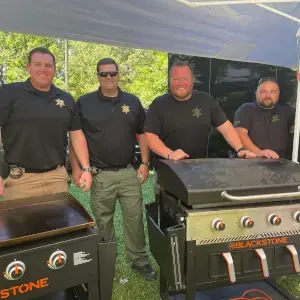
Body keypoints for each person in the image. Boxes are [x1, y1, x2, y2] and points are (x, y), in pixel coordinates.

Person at [70, 58, 156, 281]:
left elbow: (143, 134)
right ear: (97, 76)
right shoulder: (85, 102)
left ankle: (139, 260)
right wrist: (77, 168)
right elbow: (75, 136)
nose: (108, 78)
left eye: (112, 73)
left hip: (128, 172)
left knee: (135, 219)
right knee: (103, 221)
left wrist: (145, 164)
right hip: (100, 174)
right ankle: (106, 263)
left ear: (118, 75)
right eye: (103, 74)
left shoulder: (133, 102)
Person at [0, 47, 92, 200]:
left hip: (57, 177)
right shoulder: (9, 93)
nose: (43, 69)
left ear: (55, 70)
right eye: (37, 64)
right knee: (21, 224)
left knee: (59, 224)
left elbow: (76, 134)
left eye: (48, 65)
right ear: (28, 67)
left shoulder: (66, 99)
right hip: (20, 181)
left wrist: (86, 169)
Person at [144, 61, 256, 161]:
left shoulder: (206, 100)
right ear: (169, 81)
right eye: (176, 79)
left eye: (185, 79)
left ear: (192, 80)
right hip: (168, 169)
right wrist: (169, 154)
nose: (181, 83)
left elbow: (226, 127)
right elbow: (150, 136)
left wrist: (240, 149)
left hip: (199, 168)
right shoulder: (159, 104)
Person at [234, 77, 294, 159]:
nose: (268, 96)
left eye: (273, 92)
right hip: (252, 162)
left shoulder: (286, 111)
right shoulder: (246, 109)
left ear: (278, 93)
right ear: (256, 93)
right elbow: (239, 134)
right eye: (263, 92)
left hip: (281, 163)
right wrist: (259, 152)